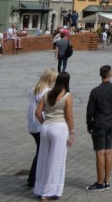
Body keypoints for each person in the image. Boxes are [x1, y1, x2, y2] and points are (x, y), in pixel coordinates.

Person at [34, 72, 74, 201]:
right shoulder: (67, 96)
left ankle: (40, 189)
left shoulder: (47, 94)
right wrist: (72, 132)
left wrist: (44, 122)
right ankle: (49, 192)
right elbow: (68, 116)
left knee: (43, 159)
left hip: (46, 128)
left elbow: (38, 112)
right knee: (56, 161)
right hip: (59, 128)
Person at [86, 65, 112, 192]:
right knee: (108, 151)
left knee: (100, 152)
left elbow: (90, 111)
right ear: (110, 74)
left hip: (99, 124)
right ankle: (107, 181)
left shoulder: (95, 91)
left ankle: (100, 182)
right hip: (111, 124)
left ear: (100, 75)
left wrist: (89, 125)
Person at [26, 68, 57, 189]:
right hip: (40, 124)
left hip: (32, 125)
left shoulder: (34, 89)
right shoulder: (47, 92)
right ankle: (34, 178)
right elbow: (48, 109)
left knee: (40, 150)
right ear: (50, 78)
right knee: (41, 152)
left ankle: (32, 178)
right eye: (54, 78)